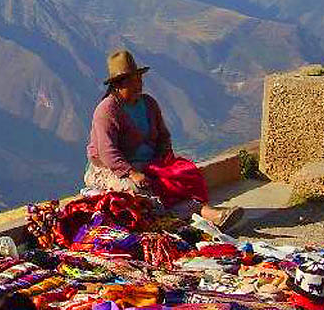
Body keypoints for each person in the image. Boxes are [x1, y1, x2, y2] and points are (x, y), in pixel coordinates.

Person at [84, 50, 244, 231]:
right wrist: (131, 173)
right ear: (119, 85)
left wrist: (164, 160)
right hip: (113, 169)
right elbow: (107, 152)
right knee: (141, 193)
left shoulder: (148, 103)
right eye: (134, 82)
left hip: (148, 164)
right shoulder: (107, 110)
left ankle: (207, 215)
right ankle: (207, 215)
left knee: (181, 176)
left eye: (139, 80)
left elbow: (163, 136)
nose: (139, 85)